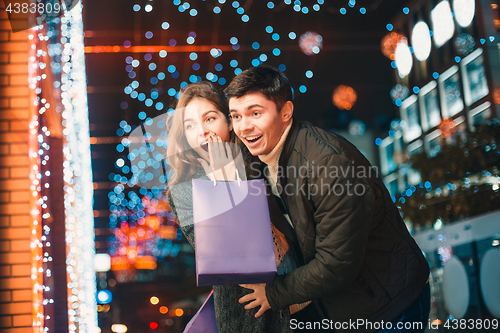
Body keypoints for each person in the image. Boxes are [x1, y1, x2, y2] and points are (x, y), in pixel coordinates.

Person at [224, 66, 431, 333]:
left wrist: (273, 294)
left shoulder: (328, 165)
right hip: (348, 308)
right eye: (235, 116)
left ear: (286, 112)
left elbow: (336, 263)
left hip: (391, 306)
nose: (244, 126)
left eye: (255, 113)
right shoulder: (261, 154)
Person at [166, 82, 317, 333]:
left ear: (228, 122)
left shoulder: (259, 161)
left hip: (306, 293)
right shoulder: (184, 191)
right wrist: (227, 184)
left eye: (210, 118)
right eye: (190, 125)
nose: (202, 131)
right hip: (253, 314)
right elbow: (228, 258)